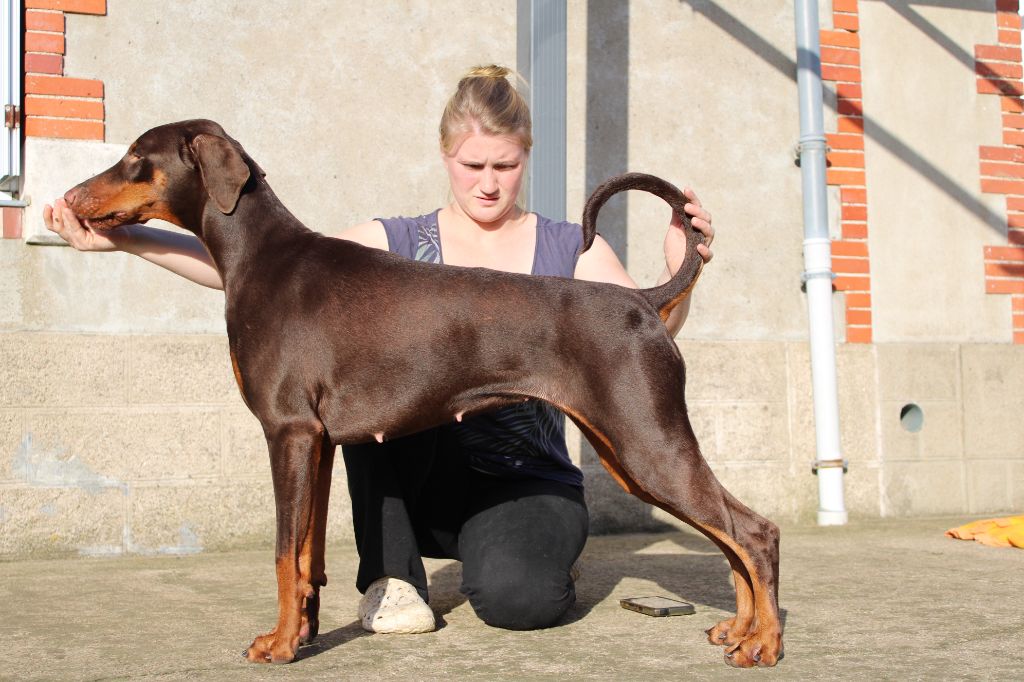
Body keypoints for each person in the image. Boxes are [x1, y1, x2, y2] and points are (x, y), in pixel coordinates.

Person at [44, 64, 714, 634]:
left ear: (525, 158)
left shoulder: (571, 248)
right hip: (422, 476)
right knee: (358, 393)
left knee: (522, 601)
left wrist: (681, 265)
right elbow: (257, 270)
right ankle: (393, 577)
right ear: (445, 156)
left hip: (522, 481)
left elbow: (637, 344)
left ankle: (521, 553)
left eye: (504, 166)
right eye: (472, 164)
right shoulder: (395, 240)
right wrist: (127, 238)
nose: (487, 182)